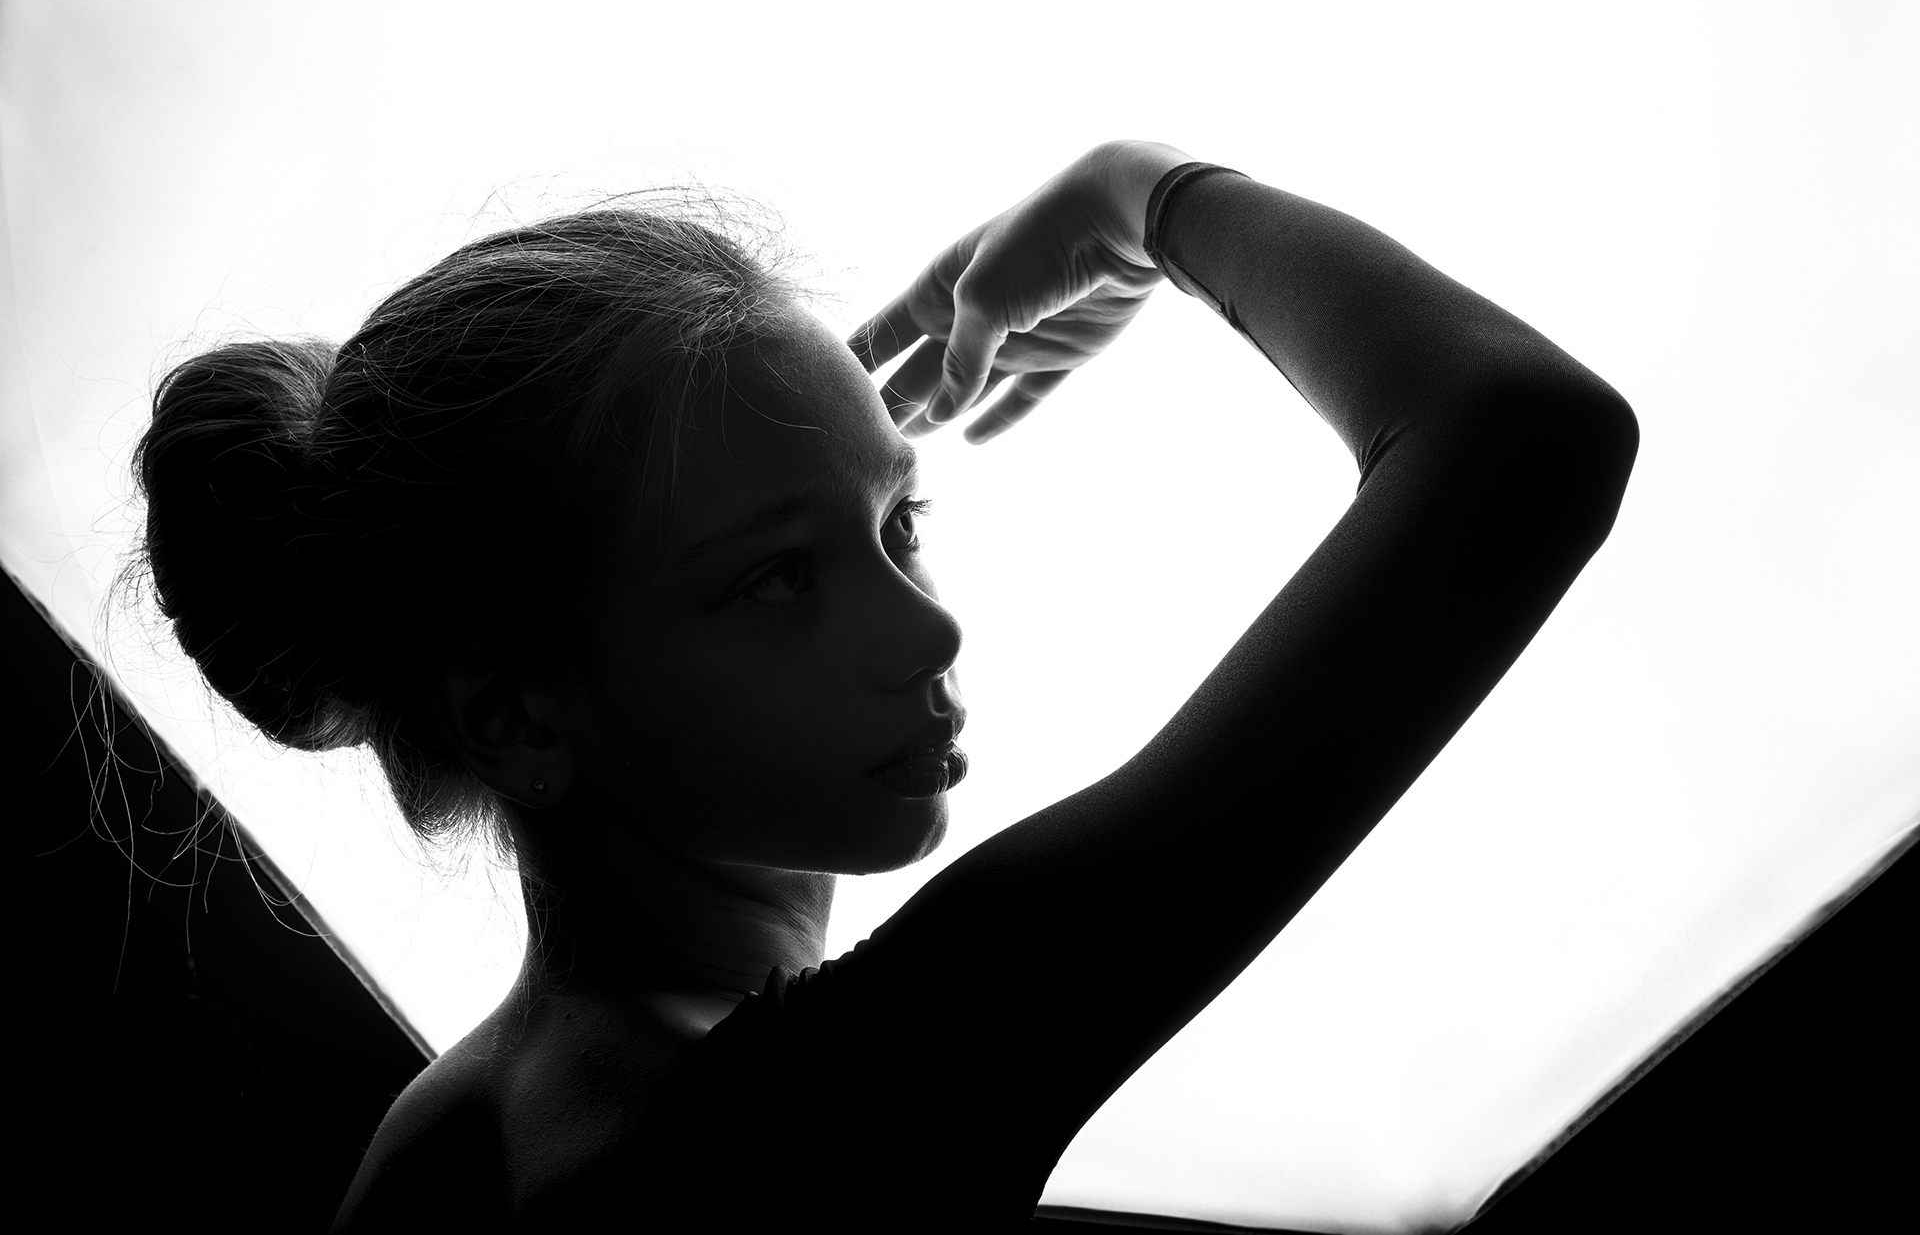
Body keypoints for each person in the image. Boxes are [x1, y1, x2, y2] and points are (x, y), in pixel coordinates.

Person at [131, 141, 1638, 1231]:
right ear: (512, 715)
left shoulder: (444, 1140)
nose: (928, 634)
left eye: (898, 523)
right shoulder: (827, 1104)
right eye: (775, 577)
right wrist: (1148, 199)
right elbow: (1527, 440)